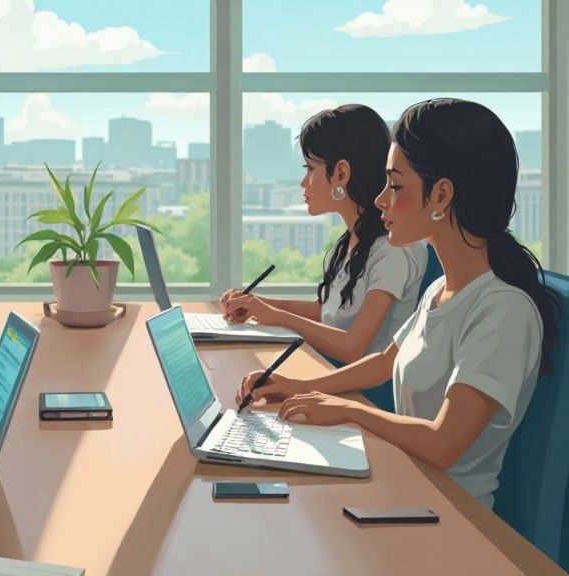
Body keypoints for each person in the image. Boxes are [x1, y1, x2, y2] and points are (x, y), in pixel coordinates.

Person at [235, 98, 562, 508]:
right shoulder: (442, 289)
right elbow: (386, 359)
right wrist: (298, 388)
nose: (380, 200)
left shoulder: (503, 310)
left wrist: (349, 412)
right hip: (405, 486)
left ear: (441, 195)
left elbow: (443, 445)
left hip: (450, 517)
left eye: (396, 186)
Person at [223, 104, 427, 364]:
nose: (303, 182)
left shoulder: (391, 250)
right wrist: (255, 303)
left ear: (341, 173)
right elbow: (325, 314)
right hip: (330, 371)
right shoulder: (351, 241)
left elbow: (352, 347)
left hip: (364, 392)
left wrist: (277, 316)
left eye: (309, 168)